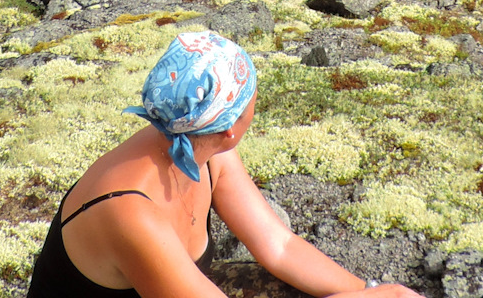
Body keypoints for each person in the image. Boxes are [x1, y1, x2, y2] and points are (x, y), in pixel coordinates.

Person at [26, 31, 425, 298]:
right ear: (231, 127)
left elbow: (279, 246)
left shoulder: (205, 145)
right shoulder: (129, 212)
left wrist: (368, 289)